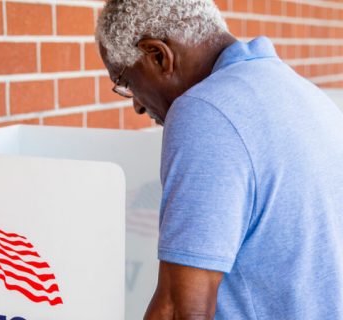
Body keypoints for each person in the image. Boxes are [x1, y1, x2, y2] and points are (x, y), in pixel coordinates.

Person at [96, 0, 343, 319]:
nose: (138, 107)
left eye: (126, 82)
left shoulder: (205, 111)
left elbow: (179, 308)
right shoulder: (301, 92)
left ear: (158, 55)